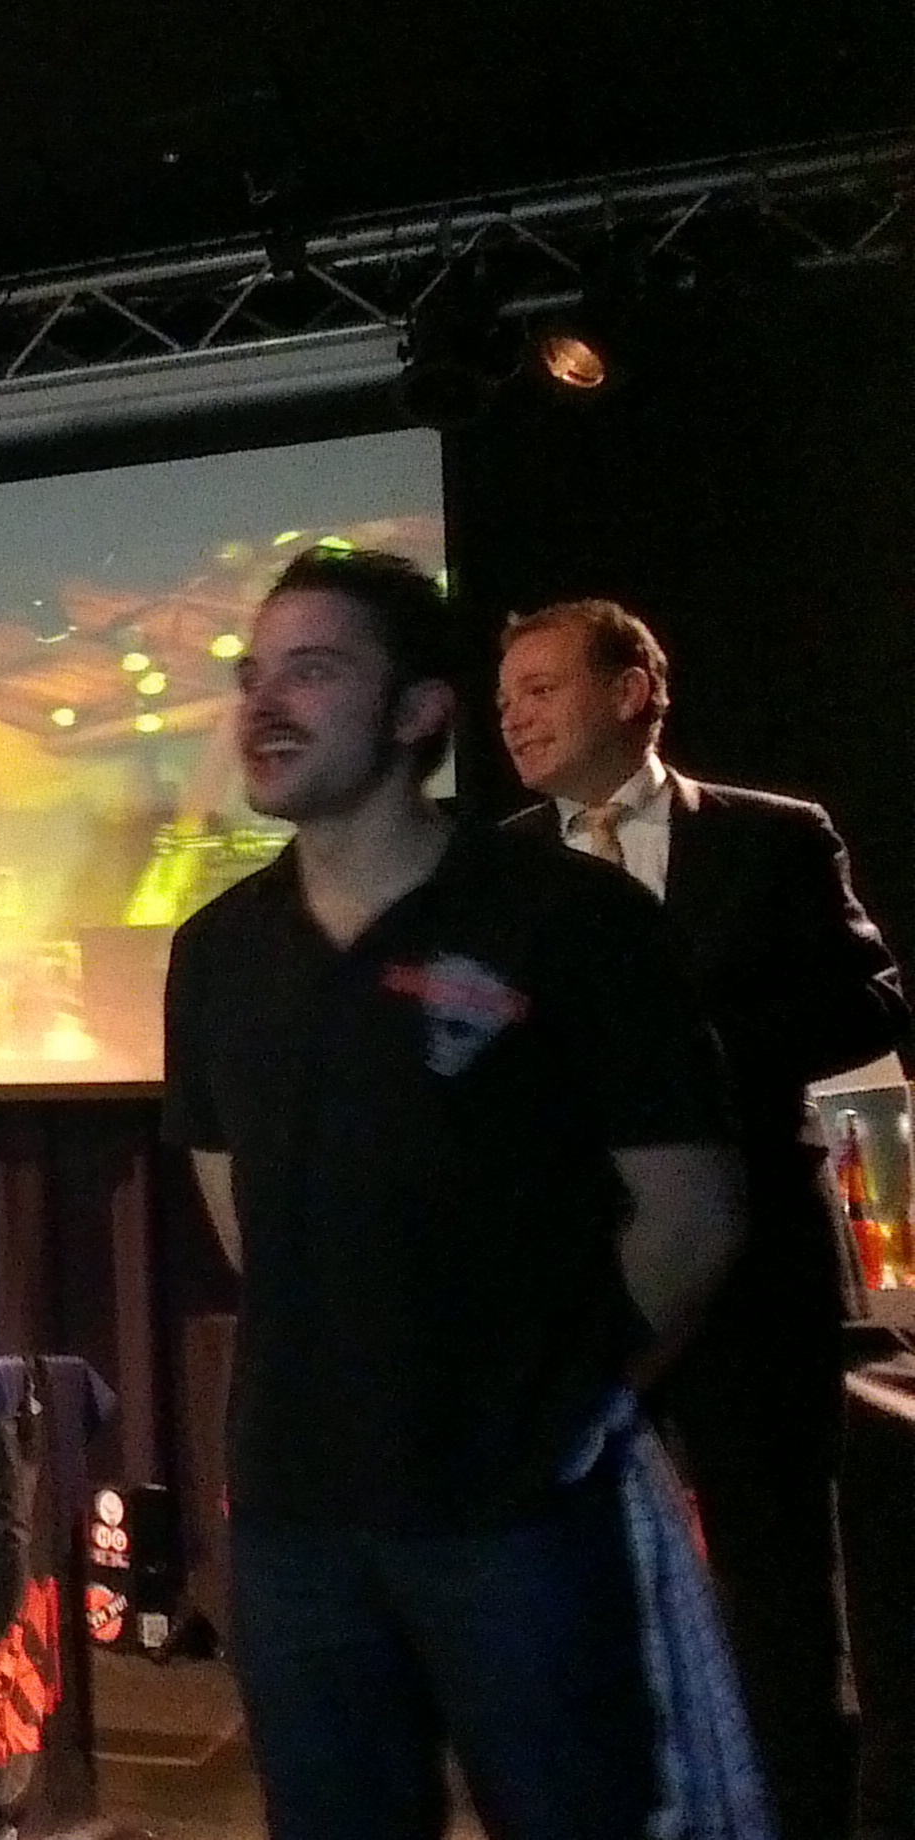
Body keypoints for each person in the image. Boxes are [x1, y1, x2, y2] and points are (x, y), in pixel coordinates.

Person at [162, 549, 746, 1840]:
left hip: (519, 1516)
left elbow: (692, 1213)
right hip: (295, 1517)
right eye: (252, 675)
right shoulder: (214, 953)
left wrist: (559, 1412)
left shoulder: (571, 918)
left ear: (420, 710)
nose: (264, 704)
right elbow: (246, 1219)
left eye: (314, 671)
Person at [498, 596, 906, 1840]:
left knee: (775, 1587)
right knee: (569, 1579)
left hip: (754, 1267)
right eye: (506, 696)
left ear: (631, 693)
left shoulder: (775, 838)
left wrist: (693, 1053)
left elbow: (870, 1000)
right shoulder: (500, 868)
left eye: (541, 688)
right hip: (575, 1277)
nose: (513, 717)